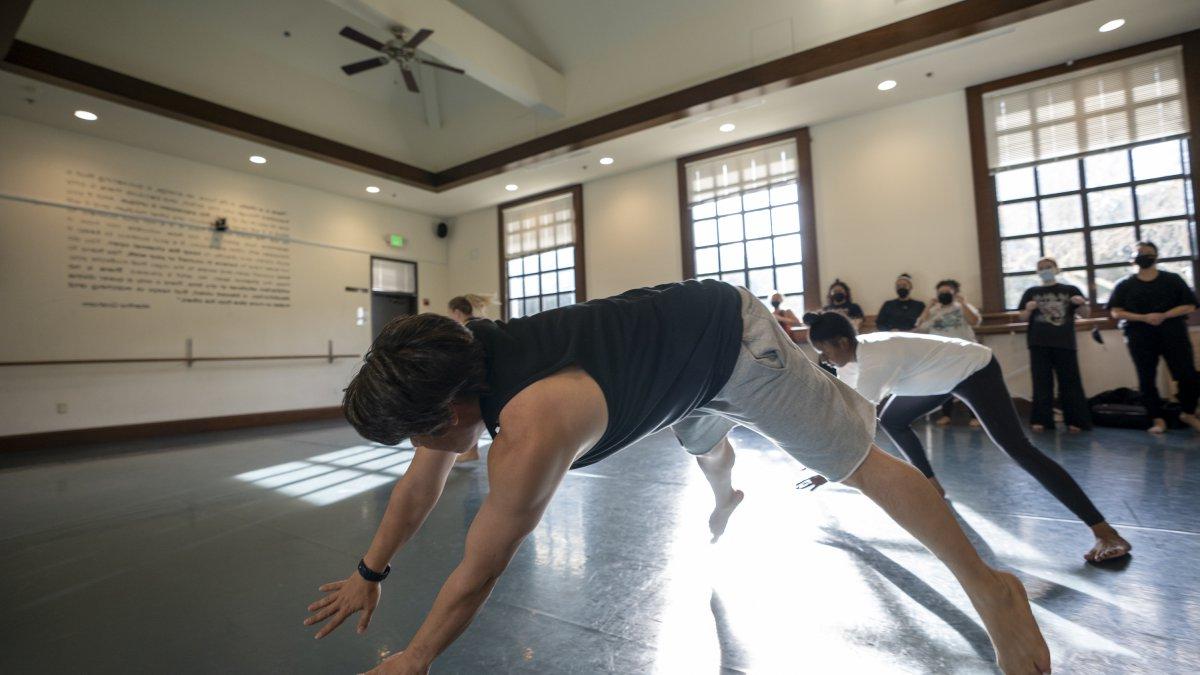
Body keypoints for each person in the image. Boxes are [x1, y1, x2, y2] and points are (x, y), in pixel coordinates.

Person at [310, 280, 1050, 675]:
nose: (421, 445)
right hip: (666, 372)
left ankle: (993, 589)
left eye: (417, 430)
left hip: (724, 343)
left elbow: (479, 568)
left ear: (447, 407)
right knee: (706, 444)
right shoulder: (460, 361)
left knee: (858, 465)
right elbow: (421, 480)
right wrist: (370, 568)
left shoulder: (530, 432)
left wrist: (416, 656)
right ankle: (727, 489)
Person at [807, 310, 1130, 564]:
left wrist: (831, 467)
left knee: (1018, 449)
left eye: (824, 350)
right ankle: (932, 484)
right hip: (937, 377)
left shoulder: (877, 357)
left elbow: (861, 421)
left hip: (973, 368)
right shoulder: (851, 362)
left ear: (842, 342)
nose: (824, 358)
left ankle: (1105, 531)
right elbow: (847, 410)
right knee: (895, 418)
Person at [1107, 241, 1200, 434]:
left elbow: (1190, 305)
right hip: (1139, 335)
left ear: (1156, 256)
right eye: (1140, 253)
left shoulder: (1173, 279)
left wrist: (1164, 315)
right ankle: (1156, 419)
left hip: (1173, 332)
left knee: (1187, 374)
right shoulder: (1124, 284)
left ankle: (1188, 412)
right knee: (1146, 377)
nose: (1144, 255)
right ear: (1133, 259)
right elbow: (1116, 312)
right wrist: (1144, 317)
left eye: (1148, 253)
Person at [1017, 258, 1092, 433]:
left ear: (1057, 269)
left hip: (1065, 342)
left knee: (1070, 382)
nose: (1045, 270)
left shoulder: (1070, 290)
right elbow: (1022, 317)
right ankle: (1042, 420)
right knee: (1041, 382)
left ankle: (1076, 421)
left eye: (1048, 267)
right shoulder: (1031, 291)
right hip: (1038, 343)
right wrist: (1028, 309)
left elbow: (1085, 315)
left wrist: (1080, 304)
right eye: (1041, 268)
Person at [916, 280, 983, 427]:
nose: (943, 295)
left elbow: (975, 321)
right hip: (942, 354)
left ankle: (975, 416)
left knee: (969, 385)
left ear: (955, 293)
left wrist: (963, 303)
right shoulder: (934, 311)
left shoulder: (962, 307)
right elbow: (920, 326)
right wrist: (928, 306)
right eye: (940, 293)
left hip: (964, 353)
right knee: (945, 385)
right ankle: (946, 415)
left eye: (947, 292)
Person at [445, 295, 496, 462]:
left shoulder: (469, 329)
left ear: (457, 312)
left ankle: (470, 451)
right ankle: (470, 451)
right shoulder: (483, 323)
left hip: (487, 381)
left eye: (450, 314)